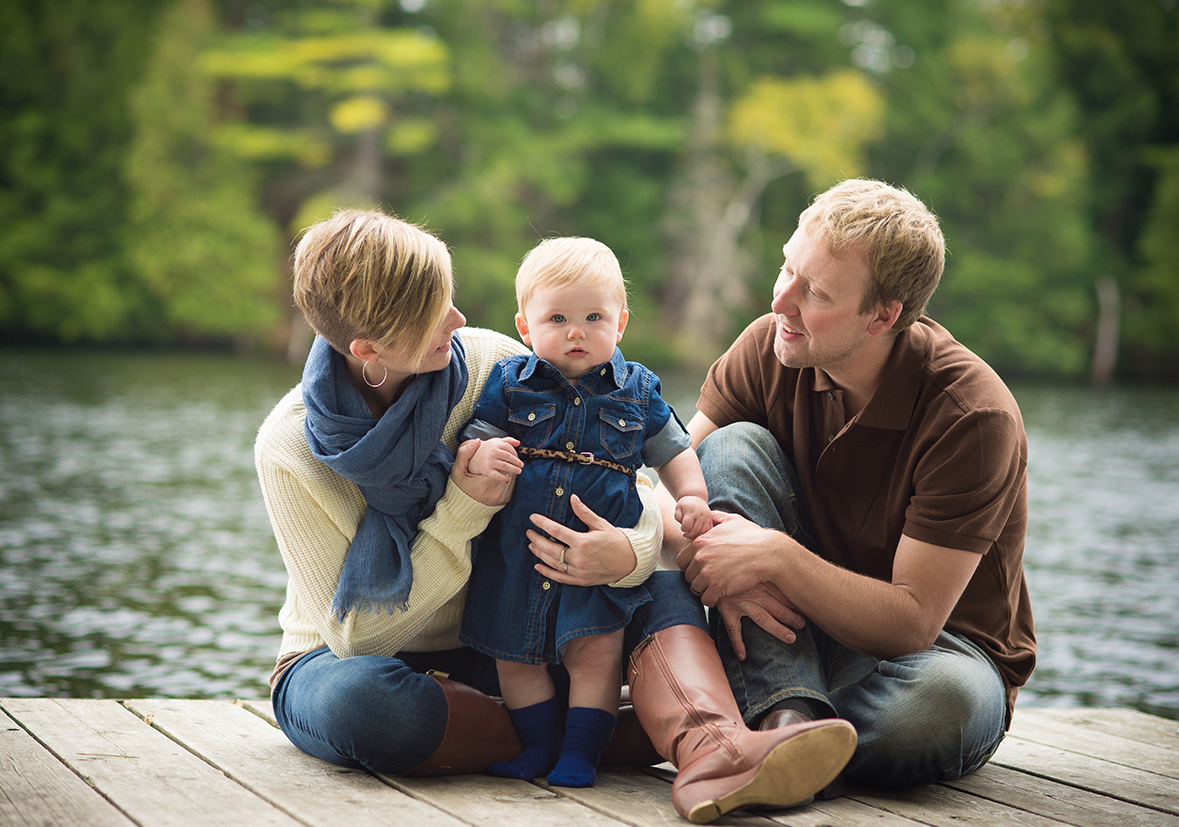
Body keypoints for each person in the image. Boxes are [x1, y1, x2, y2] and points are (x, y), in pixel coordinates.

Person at [254, 208, 857, 824]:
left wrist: (632, 552)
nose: (459, 320)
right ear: (368, 349)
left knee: (658, 588)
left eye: (451, 296)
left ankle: (714, 748)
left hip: (513, 626)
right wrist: (463, 507)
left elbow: (607, 477)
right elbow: (360, 637)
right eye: (434, 311)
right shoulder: (291, 445)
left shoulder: (486, 362)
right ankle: (612, 736)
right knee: (368, 708)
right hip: (350, 661)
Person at [669, 178, 1036, 793]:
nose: (782, 301)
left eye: (814, 292)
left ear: (883, 316)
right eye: (787, 268)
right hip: (791, 629)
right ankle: (790, 718)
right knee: (729, 447)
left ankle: (750, 728)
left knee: (932, 710)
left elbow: (912, 621)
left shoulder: (973, 417)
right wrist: (714, 563)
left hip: (937, 652)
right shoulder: (770, 344)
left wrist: (773, 556)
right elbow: (678, 488)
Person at [457, 237, 713, 788]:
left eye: (594, 316)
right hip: (517, 558)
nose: (577, 331)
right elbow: (476, 439)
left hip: (600, 564)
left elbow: (673, 449)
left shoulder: (638, 391)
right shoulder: (508, 383)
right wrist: (479, 457)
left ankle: (579, 753)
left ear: (620, 324)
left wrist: (691, 495)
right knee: (515, 659)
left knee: (595, 656)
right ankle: (539, 746)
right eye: (558, 317)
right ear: (525, 327)